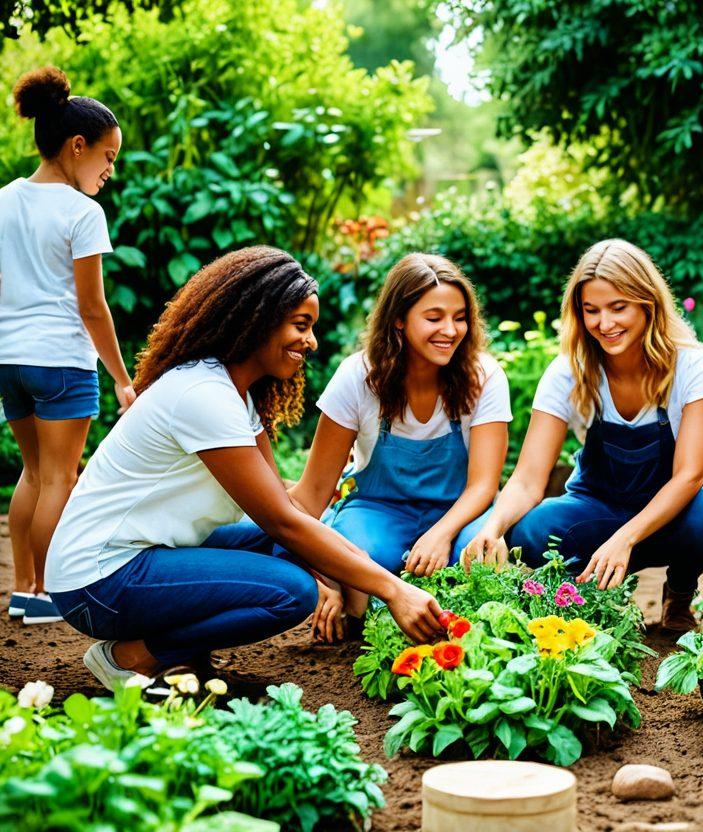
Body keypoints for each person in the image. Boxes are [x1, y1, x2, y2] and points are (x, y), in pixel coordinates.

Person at [45, 247, 442, 688]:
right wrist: (393, 588)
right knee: (291, 592)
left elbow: (286, 507)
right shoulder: (203, 395)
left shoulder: (235, 394)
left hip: (143, 557)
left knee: (298, 545)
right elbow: (283, 520)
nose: (311, 341)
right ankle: (130, 656)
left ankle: (177, 653)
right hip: (100, 581)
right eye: (301, 325)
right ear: (258, 319)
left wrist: (356, 563)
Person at [458, 239, 703, 633]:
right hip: (600, 506)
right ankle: (594, 593)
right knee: (532, 531)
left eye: (617, 307)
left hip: (677, 510)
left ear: (647, 303)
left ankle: (680, 590)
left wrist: (624, 539)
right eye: (591, 311)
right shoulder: (568, 372)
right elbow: (527, 480)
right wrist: (492, 527)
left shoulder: (694, 365)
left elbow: (689, 476)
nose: (604, 324)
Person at [288, 253, 510, 628]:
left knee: (484, 557)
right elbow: (314, 491)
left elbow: (484, 485)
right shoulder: (357, 376)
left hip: (458, 509)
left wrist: (441, 534)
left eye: (459, 318)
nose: (451, 330)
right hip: (378, 509)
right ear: (398, 319)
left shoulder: (484, 376)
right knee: (359, 580)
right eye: (434, 317)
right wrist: (321, 572)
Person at [0, 66, 135, 625]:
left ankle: (23, 590)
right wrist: (124, 379)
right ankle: (51, 594)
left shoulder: (4, 199)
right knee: (60, 477)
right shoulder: (83, 213)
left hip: (9, 360)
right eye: (107, 156)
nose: (109, 170)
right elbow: (91, 308)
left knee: (32, 474)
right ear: (77, 146)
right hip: (60, 361)